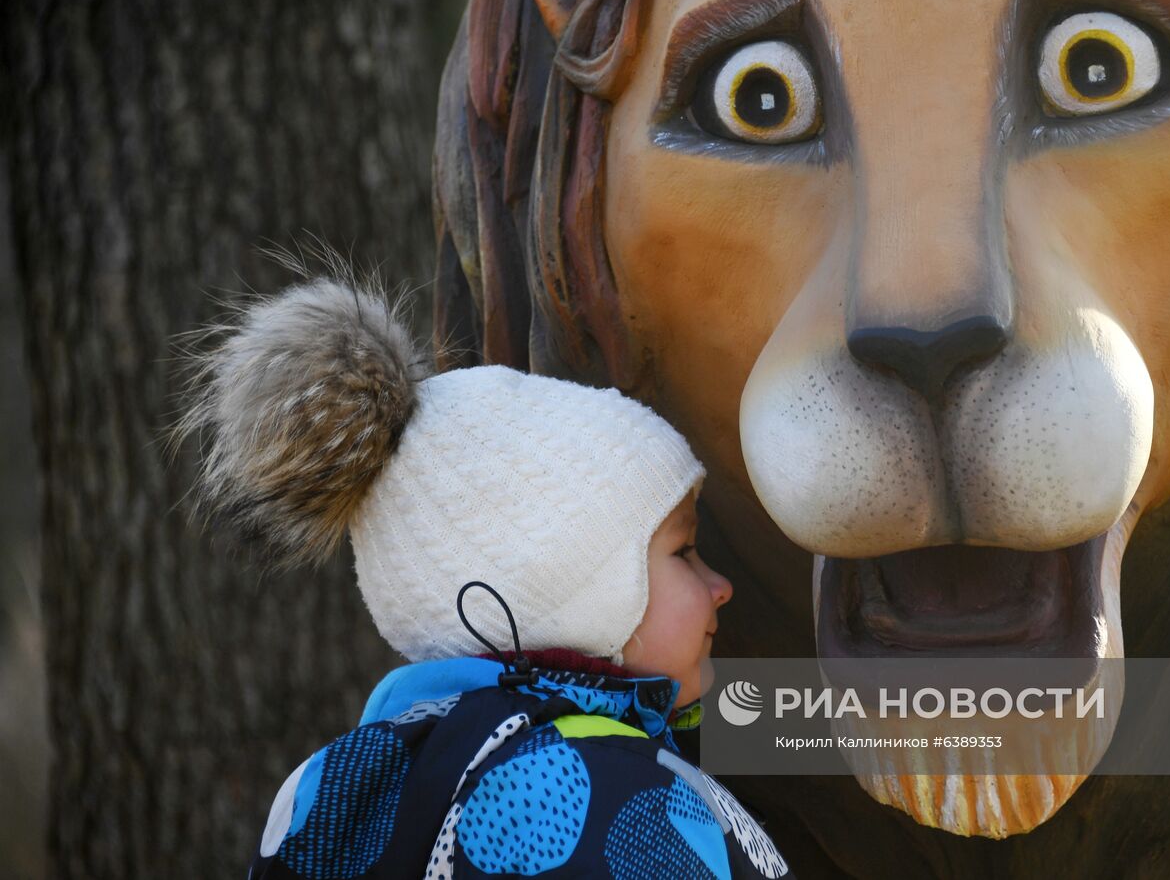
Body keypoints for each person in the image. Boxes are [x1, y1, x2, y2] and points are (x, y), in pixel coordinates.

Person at [178, 274, 790, 879]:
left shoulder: (362, 784)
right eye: (683, 552)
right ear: (569, 590)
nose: (720, 585)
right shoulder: (604, 791)